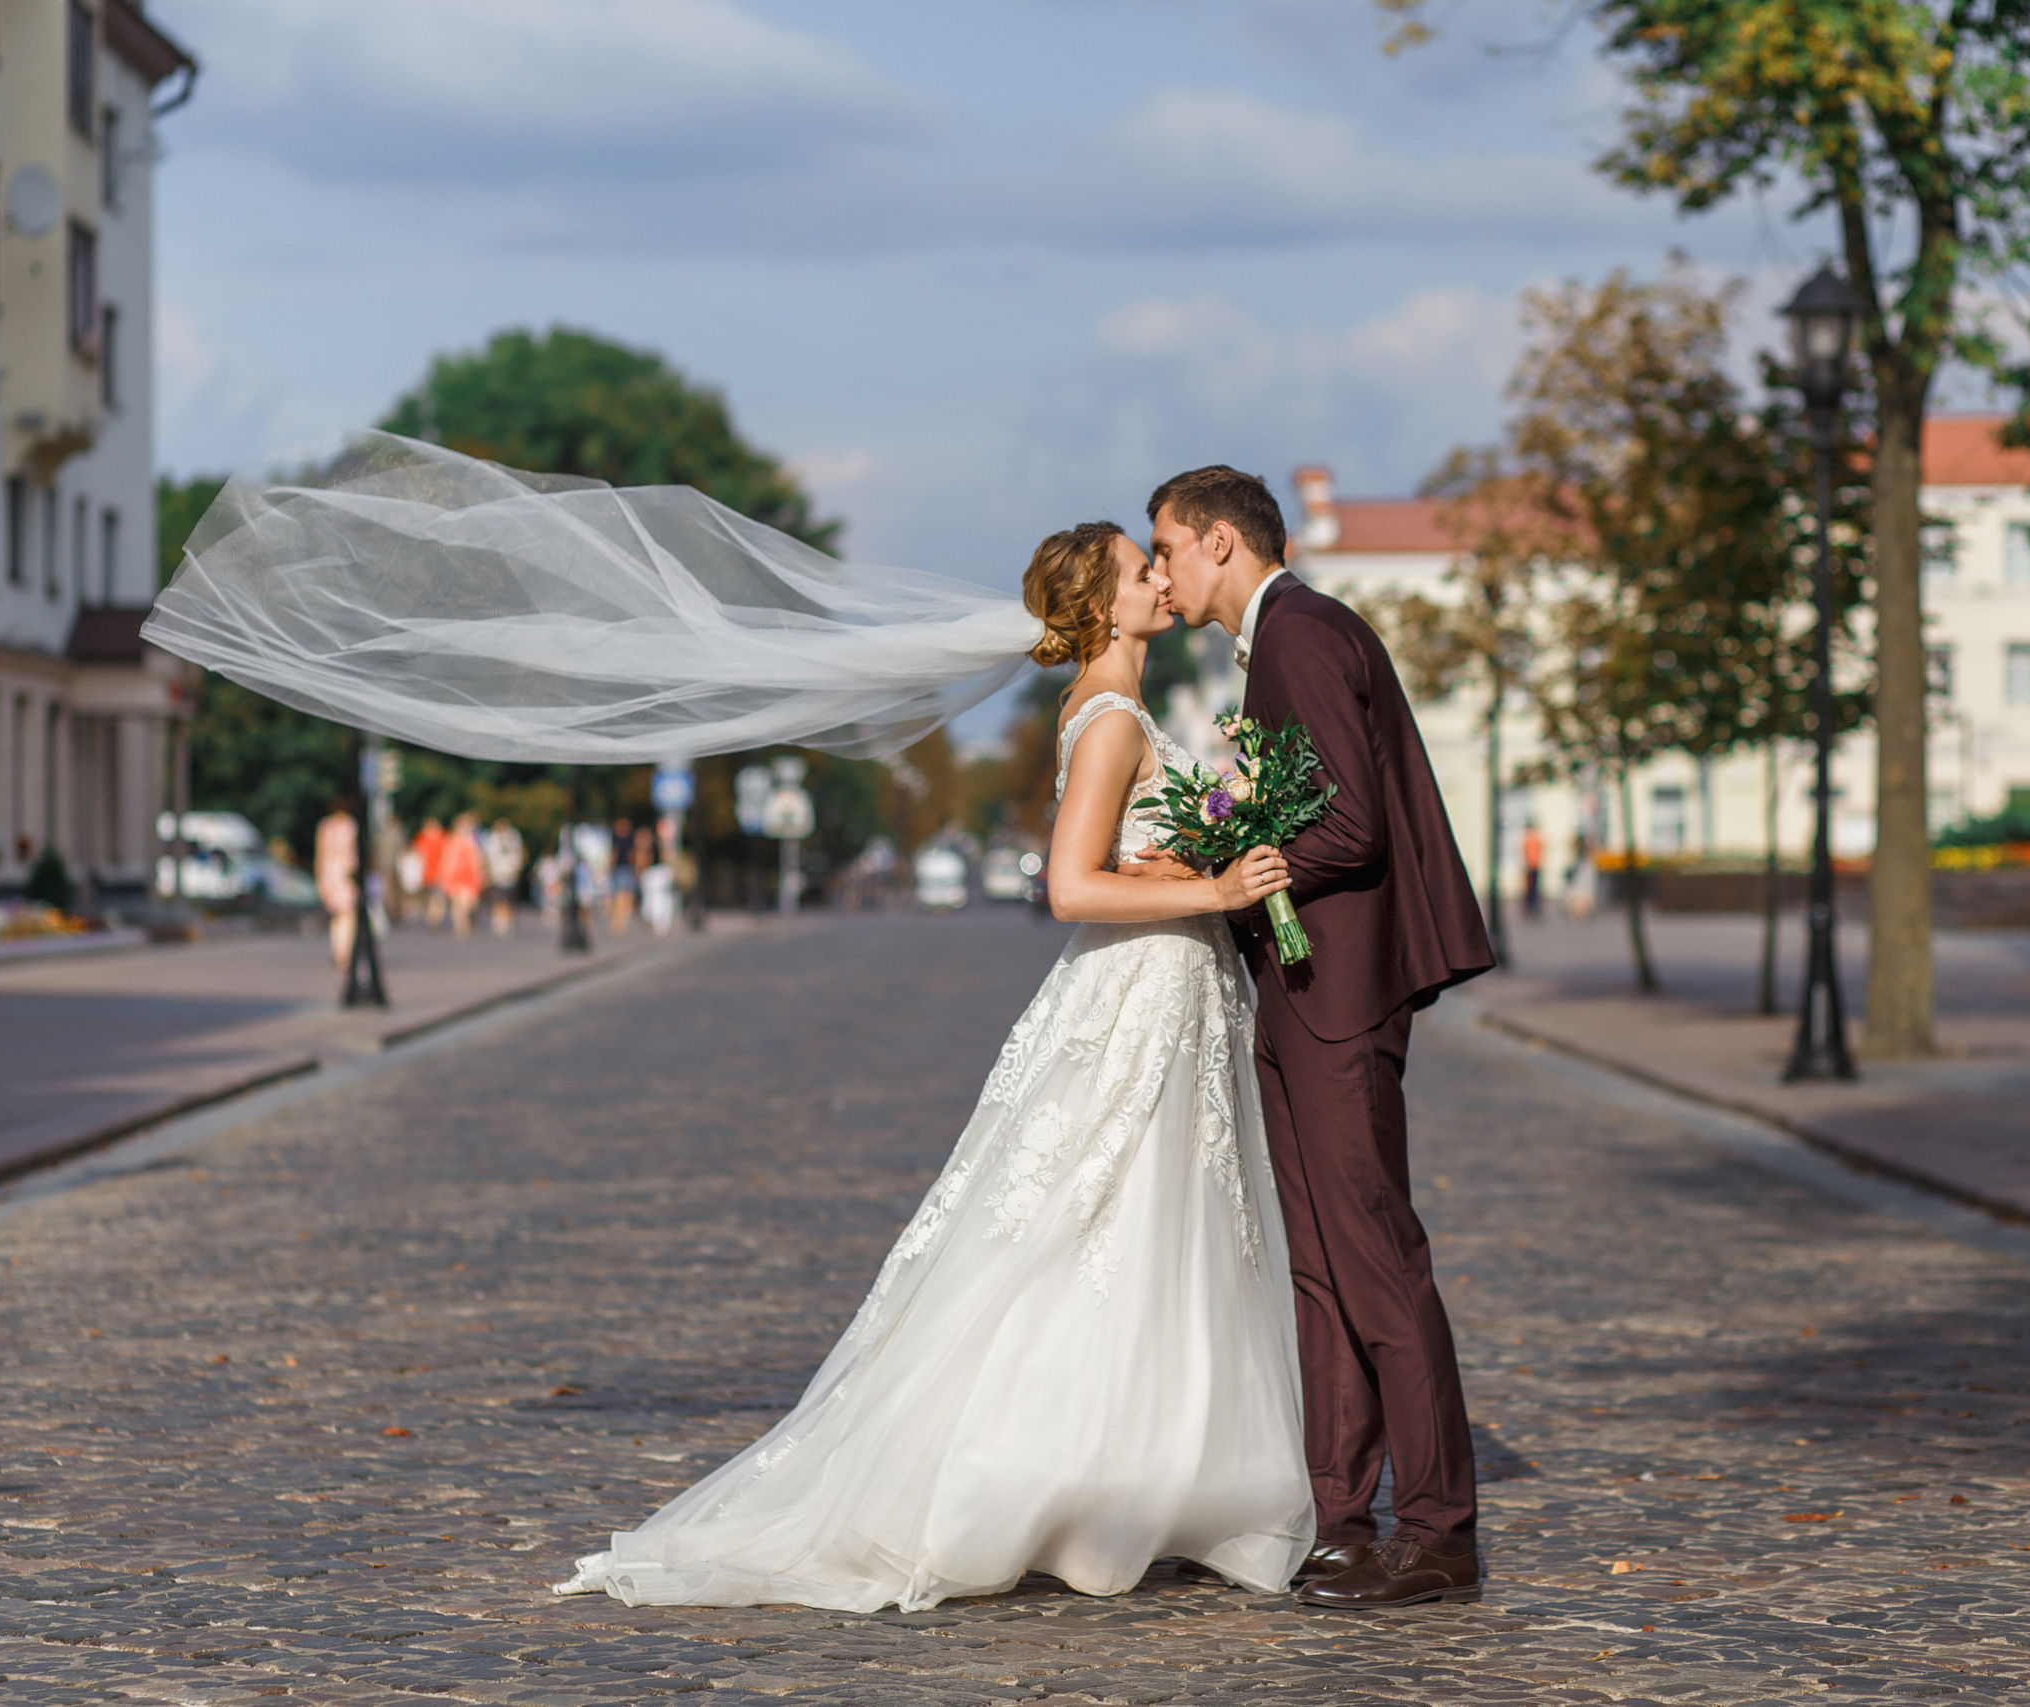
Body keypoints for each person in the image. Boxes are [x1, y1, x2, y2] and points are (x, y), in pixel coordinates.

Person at [559, 521, 1306, 1611]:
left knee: (1154, 1222)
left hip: (1170, 994)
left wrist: (1192, 853)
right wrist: (1215, 890)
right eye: (1139, 567)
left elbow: (1115, 856)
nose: (1159, 576)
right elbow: (1067, 888)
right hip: (1133, 991)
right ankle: (1069, 1482)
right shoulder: (1106, 719)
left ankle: (1155, 1473)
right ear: (1101, 606)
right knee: (1089, 1223)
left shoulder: (1127, 710)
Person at [1143, 464, 1494, 1612]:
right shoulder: (1286, 635)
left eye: (1168, 548)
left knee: (1373, 1253)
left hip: (1339, 988)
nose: (1162, 571)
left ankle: (1439, 1534)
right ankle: (1339, 1519)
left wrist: (1235, 859)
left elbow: (1347, 820)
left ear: (1219, 545)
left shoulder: (1297, 633)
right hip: (1302, 989)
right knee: (1318, 1267)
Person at [313, 797, 359, 969]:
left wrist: (319, 876)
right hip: (346, 872)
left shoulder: (325, 826)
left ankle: (337, 948)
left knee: (336, 914)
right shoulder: (350, 825)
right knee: (348, 913)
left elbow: (320, 853)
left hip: (329, 871)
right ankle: (343, 951)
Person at [438, 812, 486, 938]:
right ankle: (460, 924)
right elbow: (446, 858)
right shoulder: (451, 840)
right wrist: (444, 874)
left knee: (468, 902)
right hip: (454, 874)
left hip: (469, 874)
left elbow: (478, 858)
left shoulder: (474, 840)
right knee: (456, 902)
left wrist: (480, 873)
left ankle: (464, 920)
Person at [483, 818, 527, 938]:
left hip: (510, 873)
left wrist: (518, 868)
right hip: (497, 873)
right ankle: (499, 920)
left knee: (508, 900)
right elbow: (487, 856)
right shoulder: (492, 838)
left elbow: (519, 853)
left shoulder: (513, 837)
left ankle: (507, 920)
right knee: (498, 898)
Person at [411, 817, 449, 929]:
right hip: (425, 873)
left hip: (439, 872)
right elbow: (417, 855)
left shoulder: (442, 838)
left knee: (437, 897)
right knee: (427, 897)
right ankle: (431, 915)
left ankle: (435, 916)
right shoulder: (421, 838)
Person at [1521, 820, 1545, 921]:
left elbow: (1540, 850)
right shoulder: (1530, 839)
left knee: (1534, 888)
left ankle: (1533, 907)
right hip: (1531, 867)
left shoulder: (1533, 839)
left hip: (1535, 866)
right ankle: (1530, 907)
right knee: (1531, 889)